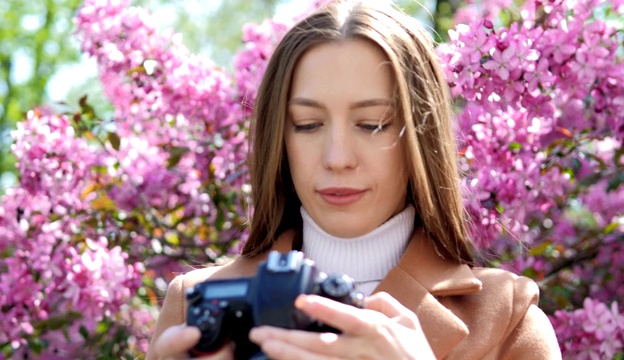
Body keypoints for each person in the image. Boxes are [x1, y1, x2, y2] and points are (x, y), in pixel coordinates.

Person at [146, 1, 562, 359]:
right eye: (307, 125)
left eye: (372, 124)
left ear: (420, 136)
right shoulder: (195, 304)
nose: (337, 159)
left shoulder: (507, 318)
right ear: (280, 137)